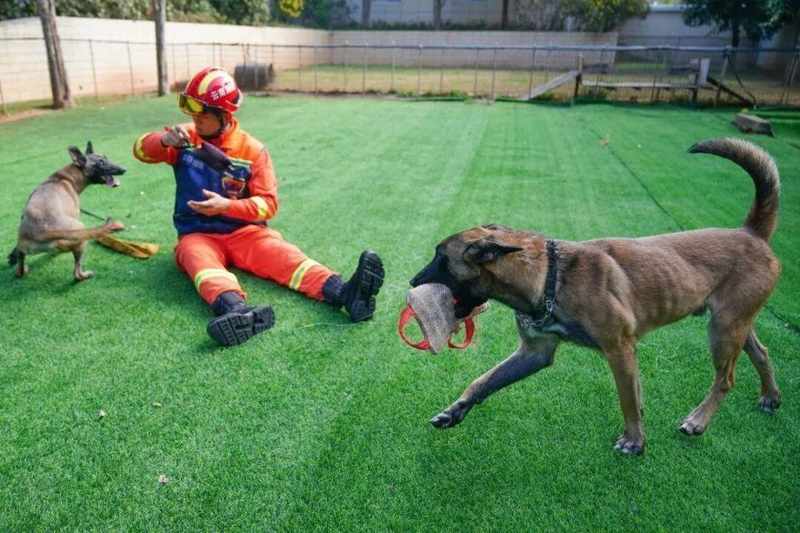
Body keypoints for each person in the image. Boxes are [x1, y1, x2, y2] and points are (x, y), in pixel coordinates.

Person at [133, 66, 384, 346]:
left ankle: (346, 294)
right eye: (192, 110)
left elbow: (268, 205)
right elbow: (141, 150)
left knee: (286, 259)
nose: (195, 117)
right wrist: (164, 140)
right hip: (198, 234)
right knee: (199, 262)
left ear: (225, 114)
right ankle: (237, 311)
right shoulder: (184, 138)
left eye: (203, 112)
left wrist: (227, 206)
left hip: (246, 233)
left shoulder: (253, 151)